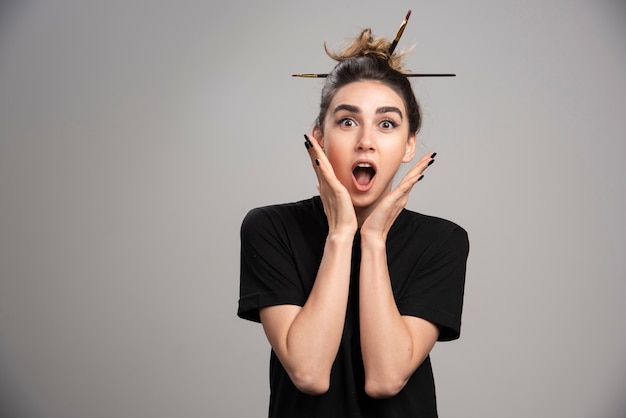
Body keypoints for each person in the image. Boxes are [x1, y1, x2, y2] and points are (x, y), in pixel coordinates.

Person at [237, 22, 469, 418]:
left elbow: (385, 378)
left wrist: (374, 239)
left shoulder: (442, 241)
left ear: (410, 143)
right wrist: (342, 233)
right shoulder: (270, 229)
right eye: (347, 121)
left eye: (387, 123)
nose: (366, 140)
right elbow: (309, 372)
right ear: (319, 138)